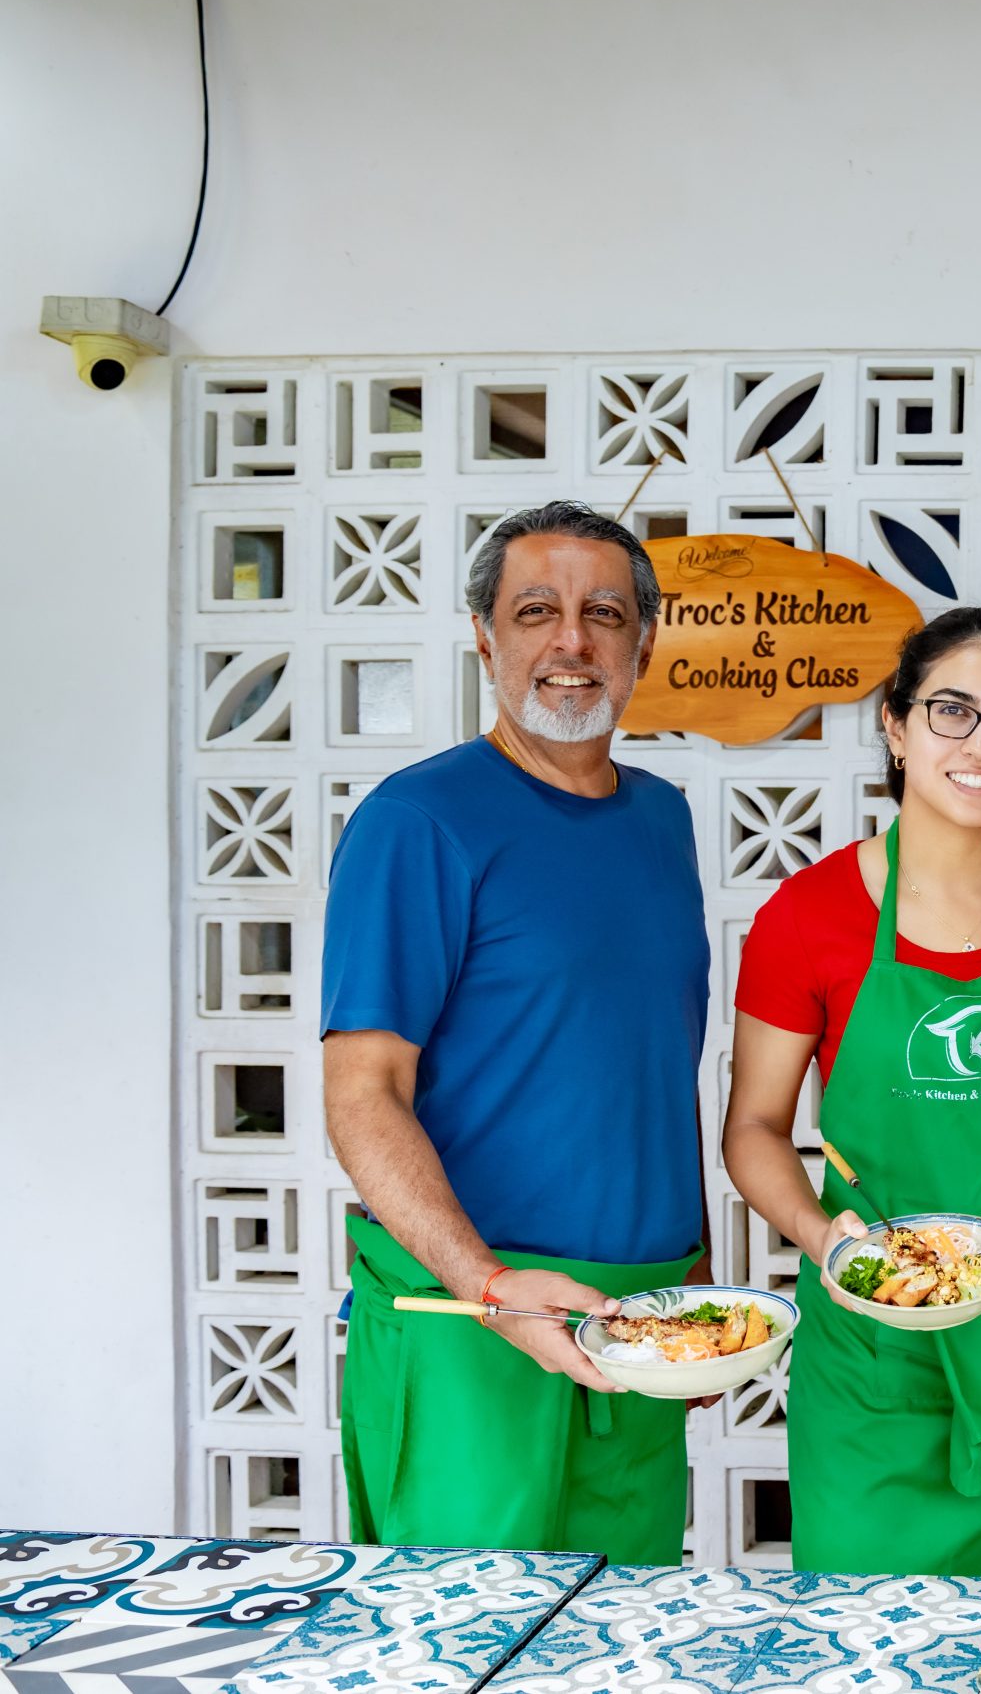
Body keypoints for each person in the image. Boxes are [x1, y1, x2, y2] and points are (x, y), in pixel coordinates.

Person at [323, 500, 710, 1563]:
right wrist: (489, 1289)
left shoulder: (663, 818)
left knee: (622, 1629)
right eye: (535, 611)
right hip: (470, 1324)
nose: (571, 641)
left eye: (605, 614)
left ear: (643, 644)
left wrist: (693, 1282)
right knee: (461, 1636)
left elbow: (652, 1065)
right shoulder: (417, 822)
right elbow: (362, 1094)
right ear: (485, 639)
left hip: (635, 1322)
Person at [722, 608, 981, 1576]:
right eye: (951, 711)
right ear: (895, 726)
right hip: (878, 1346)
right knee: (859, 1631)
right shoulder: (808, 914)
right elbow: (754, 1129)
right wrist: (821, 1237)